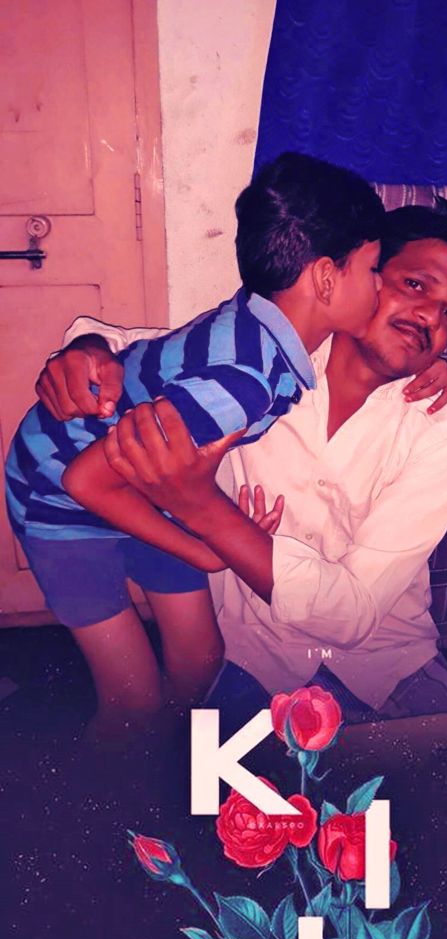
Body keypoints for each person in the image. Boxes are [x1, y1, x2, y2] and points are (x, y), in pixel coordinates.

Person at [34, 198, 447, 729]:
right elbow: (140, 349)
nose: (431, 318)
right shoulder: (262, 360)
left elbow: (352, 617)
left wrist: (202, 507)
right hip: (256, 653)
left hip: (387, 661)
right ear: (362, 277)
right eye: (415, 285)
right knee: (199, 776)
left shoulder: (444, 425)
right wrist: (87, 349)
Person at [5, 152, 385, 733]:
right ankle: (119, 779)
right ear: (327, 278)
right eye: (373, 269)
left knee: (202, 662)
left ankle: (168, 760)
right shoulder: (245, 383)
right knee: (132, 700)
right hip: (58, 492)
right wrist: (204, 551)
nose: (380, 285)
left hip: (143, 482)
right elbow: (84, 481)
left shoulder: (257, 318)